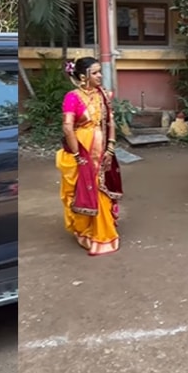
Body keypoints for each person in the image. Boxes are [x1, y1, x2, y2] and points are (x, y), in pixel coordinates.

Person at [56, 56, 123, 255]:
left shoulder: (103, 94)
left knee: (102, 188)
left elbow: (111, 122)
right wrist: (77, 155)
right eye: (95, 72)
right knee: (82, 189)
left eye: (99, 71)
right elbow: (68, 128)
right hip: (83, 150)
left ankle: (103, 233)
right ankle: (86, 232)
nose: (100, 76)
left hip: (102, 150)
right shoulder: (72, 97)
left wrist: (110, 147)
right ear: (84, 76)